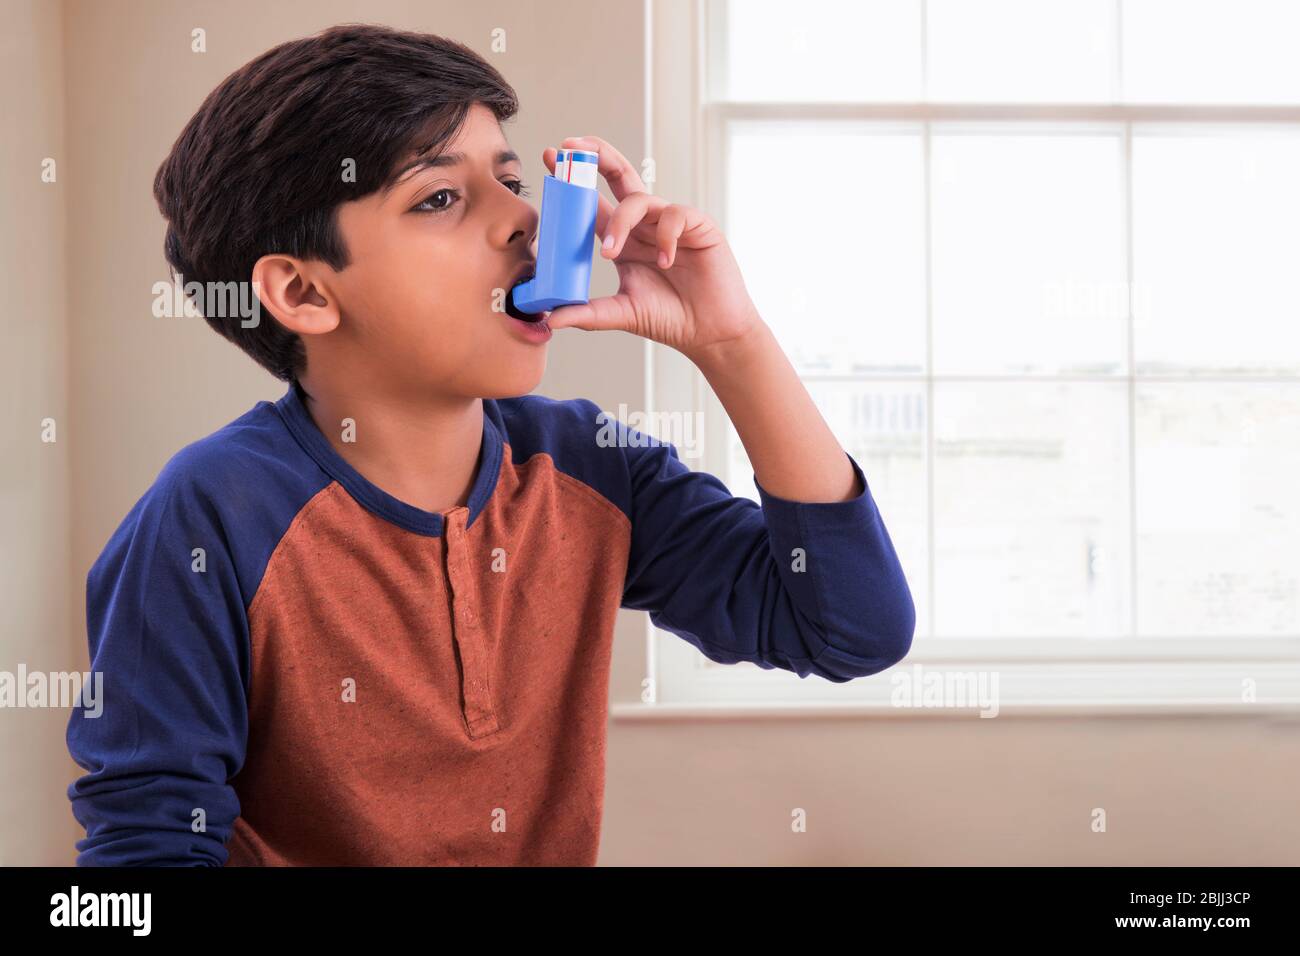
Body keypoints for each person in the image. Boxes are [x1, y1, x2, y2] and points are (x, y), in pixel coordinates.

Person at [65, 23, 915, 866]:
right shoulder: (210, 517)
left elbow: (851, 629)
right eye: (440, 197)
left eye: (510, 180)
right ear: (301, 291)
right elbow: (144, 856)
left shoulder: (590, 463)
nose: (527, 221)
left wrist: (731, 342)